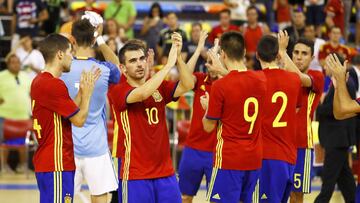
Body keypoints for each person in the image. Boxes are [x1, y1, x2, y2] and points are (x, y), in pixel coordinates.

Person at [109, 33, 194, 203]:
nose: (139, 64)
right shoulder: (117, 90)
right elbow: (142, 93)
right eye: (133, 61)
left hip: (166, 173)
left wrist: (178, 58)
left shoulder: (159, 86)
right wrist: (168, 65)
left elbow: (188, 84)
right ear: (123, 68)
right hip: (135, 174)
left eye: (141, 59)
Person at [31, 33, 99, 203]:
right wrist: (89, 95)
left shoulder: (40, 80)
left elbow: (67, 113)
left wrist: (82, 92)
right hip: (57, 162)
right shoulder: (53, 84)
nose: (73, 57)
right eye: (70, 52)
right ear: (60, 54)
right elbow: (79, 120)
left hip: (50, 162)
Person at [61, 15, 120, 203]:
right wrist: (101, 39)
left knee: (64, 198)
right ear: (93, 39)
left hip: (69, 147)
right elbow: (118, 64)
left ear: (72, 40)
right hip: (97, 147)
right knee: (100, 198)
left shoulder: (62, 71)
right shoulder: (103, 69)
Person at [202, 31, 267, 203]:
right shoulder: (261, 80)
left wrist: (207, 109)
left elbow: (208, 126)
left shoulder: (220, 86)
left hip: (229, 158)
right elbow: (241, 81)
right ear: (244, 52)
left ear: (222, 54)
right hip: (253, 158)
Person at [277, 31, 325, 203]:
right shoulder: (281, 75)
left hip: (301, 146)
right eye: (296, 53)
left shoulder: (317, 77)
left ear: (312, 58)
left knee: (296, 196)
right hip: (278, 144)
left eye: (304, 53)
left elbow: (300, 78)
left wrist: (282, 53)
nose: (299, 57)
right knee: (276, 194)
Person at [257, 35, 302, 203]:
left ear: (257, 55)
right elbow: (296, 109)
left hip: (266, 155)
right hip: (289, 156)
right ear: (278, 55)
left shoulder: (256, 79)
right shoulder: (294, 79)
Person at [178, 31, 217, 203]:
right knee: (185, 196)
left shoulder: (230, 84)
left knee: (217, 199)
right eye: (208, 62)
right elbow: (184, 75)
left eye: (213, 61)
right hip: (193, 148)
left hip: (217, 152)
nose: (209, 65)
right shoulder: (201, 80)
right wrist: (199, 49)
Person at [315, 54, 356, 203]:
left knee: (328, 180)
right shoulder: (339, 82)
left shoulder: (344, 83)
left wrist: (318, 107)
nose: (325, 67)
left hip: (337, 139)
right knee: (346, 180)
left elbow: (335, 110)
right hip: (337, 139)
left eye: (328, 64)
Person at [0, 53, 31, 173]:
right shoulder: (1, 76)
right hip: (4, 116)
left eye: (18, 62)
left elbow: (31, 93)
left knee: (23, 143)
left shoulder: (26, 76)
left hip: (23, 116)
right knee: (3, 142)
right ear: (8, 64)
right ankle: (3, 167)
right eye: (13, 62)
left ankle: (23, 166)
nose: (16, 64)